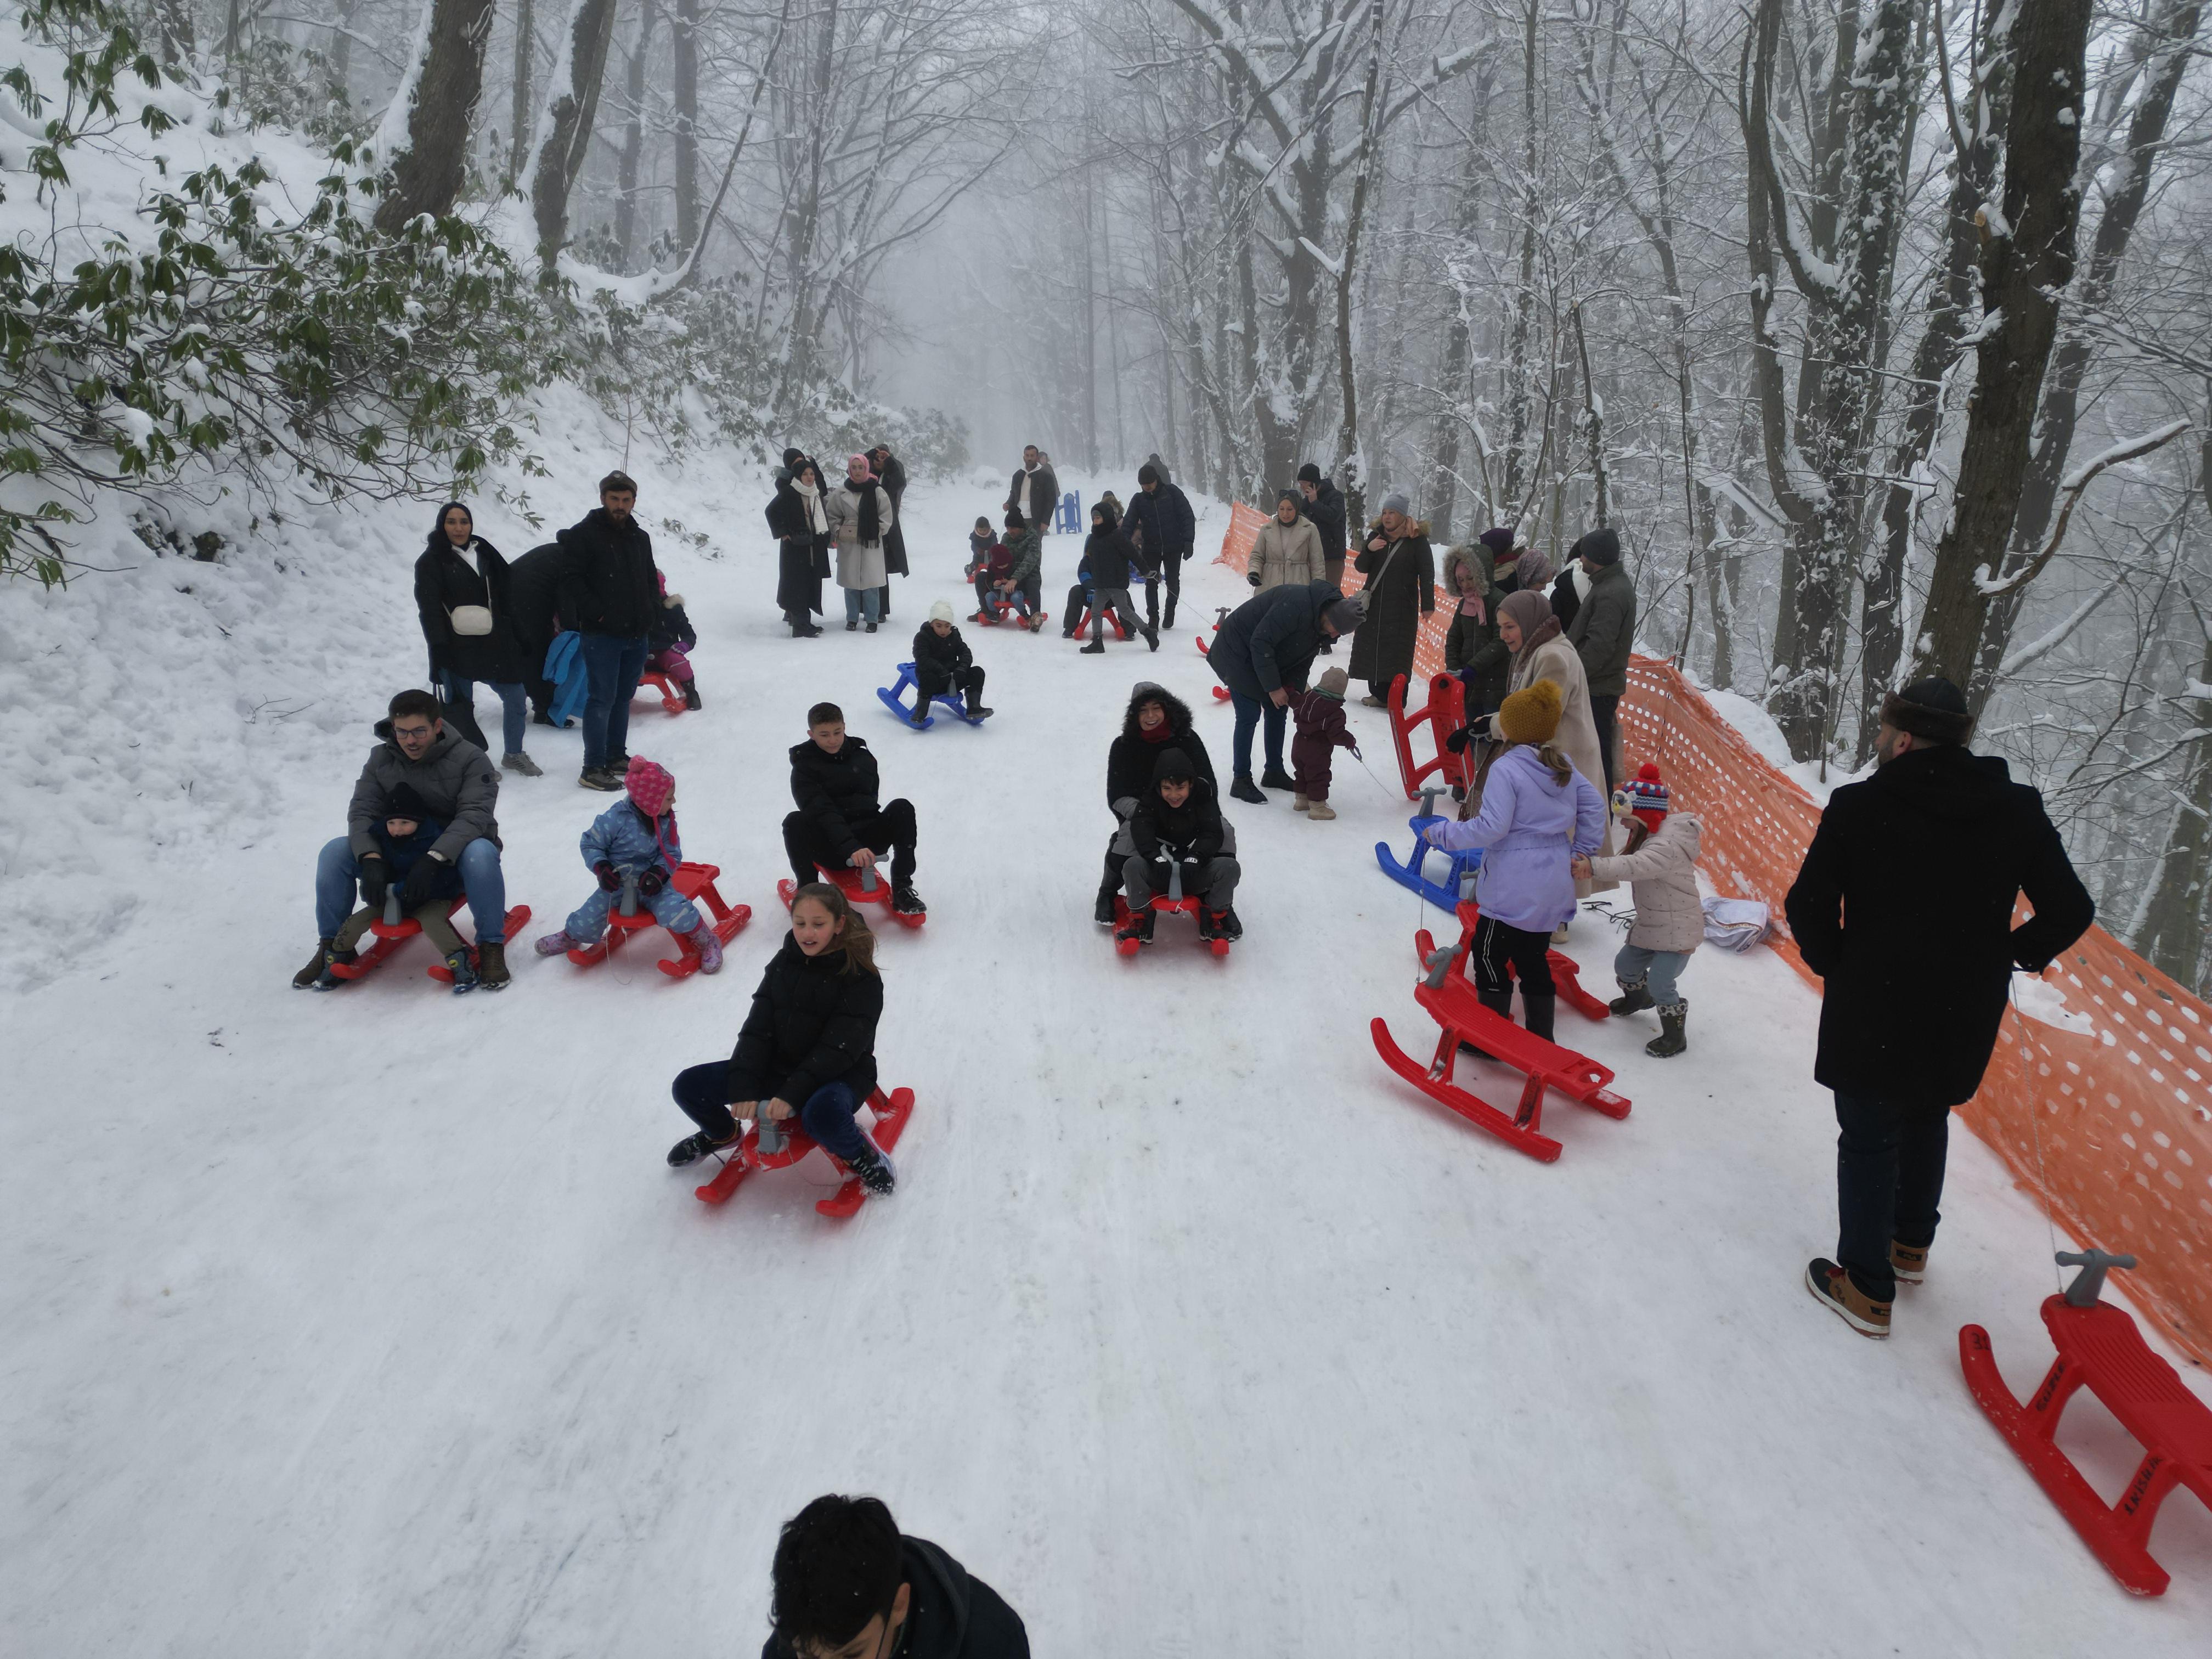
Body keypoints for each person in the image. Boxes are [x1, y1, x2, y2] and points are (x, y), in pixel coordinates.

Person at [1784, 677, 2094, 1339]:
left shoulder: (1860, 805)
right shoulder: (2018, 809)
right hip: (1962, 1007)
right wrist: (2009, 953)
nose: (1878, 741)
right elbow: (2071, 908)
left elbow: (1807, 904)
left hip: (1874, 1001)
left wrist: (1836, 963)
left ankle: (1866, 1288)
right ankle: (1909, 1246)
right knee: (1927, 1112)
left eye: (1882, 731)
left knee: (1869, 1134)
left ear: (1903, 739)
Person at [664, 886, 894, 1194]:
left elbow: (839, 1050)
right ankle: (721, 1133)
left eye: (818, 924)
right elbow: (758, 1029)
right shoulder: (785, 962)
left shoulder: (861, 977)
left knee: (822, 1115)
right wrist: (744, 1088)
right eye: (800, 923)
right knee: (689, 1086)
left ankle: (861, 1154)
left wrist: (792, 1095)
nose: (807, 933)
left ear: (839, 924)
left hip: (841, 1073)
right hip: (781, 1066)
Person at [1419, 679, 1606, 1041]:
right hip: (1552, 879)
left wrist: (1441, 834)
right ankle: (1541, 1038)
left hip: (1513, 885)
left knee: (1488, 953)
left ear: (1509, 728)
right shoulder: (1561, 763)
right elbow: (1595, 807)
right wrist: (1580, 851)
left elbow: (1492, 827)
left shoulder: (1506, 769)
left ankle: (1490, 1039)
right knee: (1533, 958)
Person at [296, 689, 511, 990]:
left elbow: (474, 815)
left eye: (420, 731)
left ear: (437, 726)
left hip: (452, 856)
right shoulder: (380, 759)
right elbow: (362, 811)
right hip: (396, 852)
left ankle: (490, 946)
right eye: (402, 732)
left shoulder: (470, 758)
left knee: (481, 853)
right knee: (334, 852)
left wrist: (434, 858)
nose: (410, 741)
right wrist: (371, 858)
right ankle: (332, 947)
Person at [1455, 588, 1616, 911]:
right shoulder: (1540, 650)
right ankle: (1542, 905)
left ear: (1529, 622)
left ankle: (1552, 914)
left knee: (1554, 840)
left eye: (1510, 627)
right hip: (1550, 758)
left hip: (1561, 759)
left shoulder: (1553, 657)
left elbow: (1539, 715)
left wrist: (1488, 726)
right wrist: (1485, 723)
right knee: (1544, 839)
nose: (1503, 635)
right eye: (1500, 627)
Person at [754, 1493, 1029, 1659]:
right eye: (809, 1658)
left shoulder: (995, 1646)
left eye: (851, 1656)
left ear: (899, 1606)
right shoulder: (790, 1643)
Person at [531, 757, 725, 972]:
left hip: (654, 887)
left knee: (676, 911)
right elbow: (591, 844)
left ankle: (708, 940)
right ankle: (570, 937)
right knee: (587, 919)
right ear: (651, 801)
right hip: (617, 885)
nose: (674, 802)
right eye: (669, 798)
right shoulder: (615, 819)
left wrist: (659, 873)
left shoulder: (665, 820)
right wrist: (602, 868)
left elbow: (672, 853)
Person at [1573, 763, 1701, 1058]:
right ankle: (1639, 999)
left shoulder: (1665, 847)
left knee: (1661, 982)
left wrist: (1594, 866)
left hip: (1679, 930)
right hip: (1654, 923)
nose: (1622, 824)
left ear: (1645, 817)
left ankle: (1674, 1036)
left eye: (1627, 818)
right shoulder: (1650, 837)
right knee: (1626, 966)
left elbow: (1633, 865)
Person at [311, 783, 476, 993]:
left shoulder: (433, 839)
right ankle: (336, 959)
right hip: (393, 900)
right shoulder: (381, 839)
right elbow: (378, 871)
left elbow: (447, 873)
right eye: (392, 823)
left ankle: (461, 962)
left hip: (431, 899)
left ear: (418, 821)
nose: (397, 829)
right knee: (355, 922)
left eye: (405, 822)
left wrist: (424, 885)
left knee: (433, 923)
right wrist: (374, 887)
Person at [1209, 579, 1362, 804]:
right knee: (1249, 714)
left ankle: (1274, 772)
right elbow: (1261, 642)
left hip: (1265, 657)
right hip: (1236, 651)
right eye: (1336, 629)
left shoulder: (1321, 626)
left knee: (1278, 709)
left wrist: (1294, 695)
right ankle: (1241, 779)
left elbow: (1302, 663)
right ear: (1328, 616)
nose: (1334, 636)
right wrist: (1273, 687)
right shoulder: (1296, 605)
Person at [556, 470, 662, 790]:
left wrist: (650, 610)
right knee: (601, 698)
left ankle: (616, 755)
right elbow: (571, 579)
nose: (620, 505)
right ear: (603, 499)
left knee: (623, 697)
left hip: (636, 633)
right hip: (602, 635)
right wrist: (599, 614)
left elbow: (650, 578)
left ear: (634, 502)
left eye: (626, 500)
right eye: (614, 499)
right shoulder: (584, 535)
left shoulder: (640, 537)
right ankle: (592, 767)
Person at [415, 501, 538, 776]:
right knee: (461, 709)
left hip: (495, 642)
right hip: (456, 645)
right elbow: (429, 609)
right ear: (442, 525)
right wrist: (438, 646)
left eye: (464, 522)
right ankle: (471, 762)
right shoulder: (431, 561)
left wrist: (519, 633)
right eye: (451, 522)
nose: (459, 528)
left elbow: (506, 598)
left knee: (516, 698)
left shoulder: (485, 553)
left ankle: (514, 754)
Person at [784, 702, 924, 916]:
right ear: (811, 735)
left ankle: (902, 887)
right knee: (795, 822)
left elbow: (870, 800)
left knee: (902, 808)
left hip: (867, 845)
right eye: (824, 735)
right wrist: (851, 847)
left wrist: (862, 844)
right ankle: (809, 893)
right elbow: (821, 812)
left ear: (844, 727)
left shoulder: (861, 756)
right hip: (831, 848)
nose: (833, 740)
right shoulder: (804, 767)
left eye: (837, 732)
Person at [1095, 681, 1218, 923]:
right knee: (1128, 836)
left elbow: (1208, 783)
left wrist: (1187, 800)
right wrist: (1145, 812)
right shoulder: (1123, 747)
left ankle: (1216, 900)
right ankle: (1107, 892)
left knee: (1222, 830)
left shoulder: (1187, 739)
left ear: (1167, 709)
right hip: (1144, 815)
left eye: (1156, 709)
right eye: (1143, 711)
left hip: (1187, 809)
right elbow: (1117, 796)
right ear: (1134, 715)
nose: (1150, 716)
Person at [1115, 747, 1242, 945]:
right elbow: (1142, 832)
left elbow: (1212, 832)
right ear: (1159, 787)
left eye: (1180, 788)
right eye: (1167, 788)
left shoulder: (1202, 798)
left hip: (1194, 872)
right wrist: (1155, 857)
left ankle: (1214, 917)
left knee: (1229, 867)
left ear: (1191, 784)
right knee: (1133, 865)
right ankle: (1140, 919)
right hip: (1160, 872)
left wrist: (1196, 857)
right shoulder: (1150, 802)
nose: (1174, 795)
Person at [1348, 492, 1435, 706]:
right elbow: (1361, 567)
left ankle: (1396, 698)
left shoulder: (1417, 540)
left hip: (1402, 607)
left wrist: (1428, 605)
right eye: (1385, 512)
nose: (1387, 517)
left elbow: (1427, 573)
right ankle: (1378, 694)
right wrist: (1369, 550)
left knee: (1398, 651)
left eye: (1392, 513)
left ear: (1403, 516)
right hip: (1375, 604)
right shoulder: (1376, 536)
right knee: (1372, 647)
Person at [1564, 528, 1634, 791]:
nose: (1581, 559)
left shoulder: (1610, 593)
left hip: (1596, 689)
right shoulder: (1608, 586)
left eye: (1584, 554)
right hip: (1595, 686)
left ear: (1597, 557)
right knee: (1593, 752)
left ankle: (1600, 807)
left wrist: (1572, 678)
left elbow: (1599, 647)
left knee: (1596, 755)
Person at [1066, 499, 1158, 653]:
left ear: (1107, 518)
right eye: (1093, 518)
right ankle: (1097, 642)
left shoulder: (1117, 536)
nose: (1095, 521)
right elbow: (1090, 560)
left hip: (1115, 582)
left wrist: (1145, 571)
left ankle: (1148, 632)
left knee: (1125, 611)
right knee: (1095, 611)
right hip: (1100, 583)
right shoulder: (1094, 538)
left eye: (1098, 518)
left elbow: (1133, 554)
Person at [1442, 539, 1510, 720]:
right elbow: (1454, 638)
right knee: (1471, 730)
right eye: (1461, 580)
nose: (1465, 585)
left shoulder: (1499, 601)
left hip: (1494, 684)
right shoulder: (1464, 604)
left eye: (1470, 578)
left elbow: (1501, 640)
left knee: (1491, 730)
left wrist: (1474, 666)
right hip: (1468, 684)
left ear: (1481, 575)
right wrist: (1454, 666)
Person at [827, 454, 895, 633]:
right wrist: (838, 530)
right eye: (854, 467)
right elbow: (832, 514)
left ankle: (872, 619)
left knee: (871, 584)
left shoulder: (877, 491)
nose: (857, 471)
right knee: (850, 583)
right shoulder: (841, 492)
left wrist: (877, 531)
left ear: (866, 469)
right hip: (849, 542)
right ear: (849, 469)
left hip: (871, 542)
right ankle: (852, 618)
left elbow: (886, 515)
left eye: (861, 467)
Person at [503, 541, 568, 727]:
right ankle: (544, 709)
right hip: (526, 600)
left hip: (512, 593)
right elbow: (567, 600)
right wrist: (571, 627)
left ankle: (542, 703)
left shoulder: (560, 551)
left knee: (531, 650)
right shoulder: (571, 559)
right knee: (537, 652)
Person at [1124, 461, 1196, 628]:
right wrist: (1123, 544)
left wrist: (1188, 541)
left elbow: (1187, 516)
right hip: (1151, 548)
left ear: (1156, 480)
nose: (1147, 487)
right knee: (1151, 583)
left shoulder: (1172, 493)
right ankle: (1153, 618)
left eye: (1149, 484)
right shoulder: (1138, 500)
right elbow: (1128, 523)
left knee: (1173, 582)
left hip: (1174, 546)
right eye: (1143, 485)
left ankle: (1170, 612)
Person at [768, 456, 831, 637]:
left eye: (812, 474)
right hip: (795, 549)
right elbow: (771, 511)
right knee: (798, 586)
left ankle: (805, 622)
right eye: (805, 474)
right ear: (798, 476)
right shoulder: (790, 492)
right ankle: (800, 626)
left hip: (812, 546)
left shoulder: (814, 492)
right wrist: (783, 533)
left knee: (810, 584)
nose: (810, 477)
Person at [1289, 665, 1358, 819]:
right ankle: (1317, 807)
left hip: (1299, 745)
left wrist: (1290, 691)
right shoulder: (1335, 712)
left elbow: (1293, 700)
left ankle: (1301, 800)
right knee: (1318, 777)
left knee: (1301, 772)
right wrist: (1349, 740)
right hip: (1317, 750)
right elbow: (1336, 735)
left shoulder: (1306, 699)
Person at [910, 600, 991, 725]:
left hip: (953, 678)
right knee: (927, 678)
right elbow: (922, 659)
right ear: (932, 624)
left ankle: (974, 707)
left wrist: (962, 668)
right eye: (939, 626)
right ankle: (920, 713)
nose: (943, 630)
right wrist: (940, 670)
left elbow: (965, 653)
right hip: (935, 679)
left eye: (947, 626)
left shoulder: (954, 635)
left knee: (977, 672)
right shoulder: (923, 637)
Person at [1296, 464, 1350, 649]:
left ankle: (1328, 640)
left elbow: (1333, 516)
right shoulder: (1306, 501)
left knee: (1329, 598)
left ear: (1313, 482)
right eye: (1300, 484)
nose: (1302, 487)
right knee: (1311, 597)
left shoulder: (1335, 496)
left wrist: (1315, 502)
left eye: (1305, 483)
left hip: (1331, 556)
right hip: (1311, 556)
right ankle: (1310, 635)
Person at [1249, 490, 1325, 592]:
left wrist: (1318, 588)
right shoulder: (1266, 529)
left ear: (1297, 509)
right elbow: (1257, 556)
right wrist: (1254, 572)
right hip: (1269, 587)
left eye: (1290, 509)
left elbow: (1317, 563)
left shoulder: (1310, 529)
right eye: (1281, 509)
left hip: (1299, 587)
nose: (1285, 513)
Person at [646, 572, 702, 710]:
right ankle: (621, 695)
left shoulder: (672, 610)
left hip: (664, 652)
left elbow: (689, 634)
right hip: (640, 652)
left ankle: (690, 692)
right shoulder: (635, 608)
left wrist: (685, 644)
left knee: (677, 661)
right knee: (620, 662)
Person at [866, 443, 909, 621]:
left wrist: (889, 461)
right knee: (865, 570)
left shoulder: (891, 478)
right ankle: (866, 608)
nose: (880, 461)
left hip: (885, 529)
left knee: (880, 570)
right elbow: (853, 470)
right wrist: (870, 454)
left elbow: (901, 481)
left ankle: (881, 610)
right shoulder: (866, 476)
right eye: (877, 459)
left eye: (884, 459)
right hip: (866, 527)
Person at [1004, 444, 1059, 538]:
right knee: (1018, 546)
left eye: (1032, 456)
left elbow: (1051, 500)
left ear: (1037, 458)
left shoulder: (1045, 476)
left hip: (1036, 520)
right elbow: (1014, 494)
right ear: (1024, 457)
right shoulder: (1018, 475)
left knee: (1034, 547)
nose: (1029, 458)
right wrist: (1008, 504)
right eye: (1027, 455)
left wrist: (1046, 521)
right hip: (1018, 519)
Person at [1001, 509, 1045, 625]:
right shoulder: (1006, 538)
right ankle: (987, 610)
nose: (1010, 531)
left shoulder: (1032, 538)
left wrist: (1015, 579)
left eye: (1013, 528)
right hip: (1009, 576)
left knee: (1033, 581)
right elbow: (998, 557)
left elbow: (1029, 561)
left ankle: (1035, 615)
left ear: (1021, 528)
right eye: (1008, 528)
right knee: (982, 577)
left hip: (1027, 577)